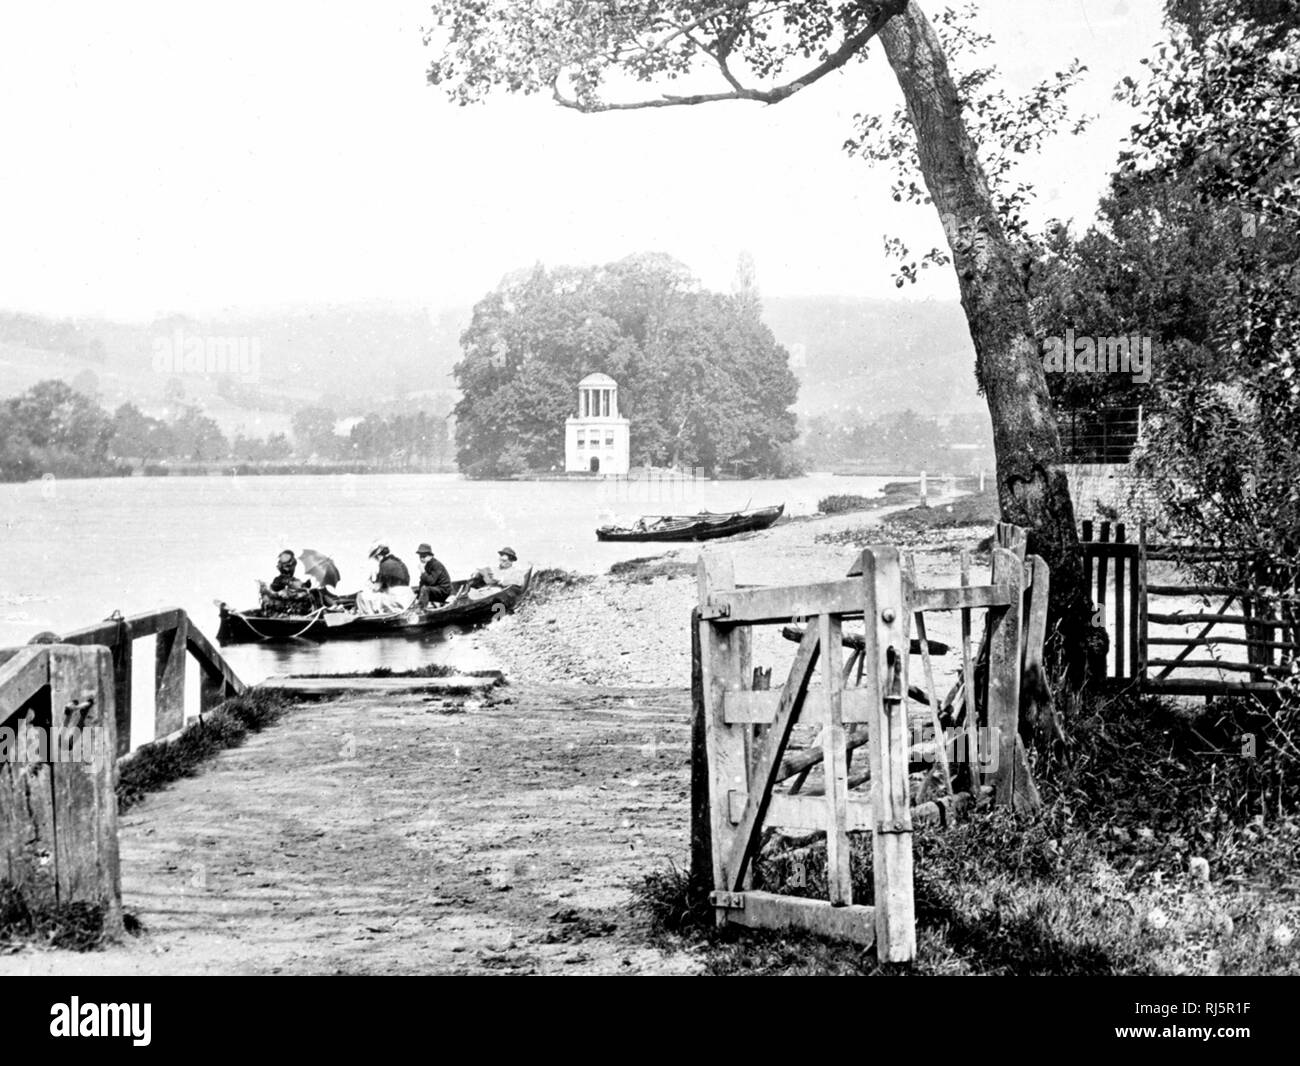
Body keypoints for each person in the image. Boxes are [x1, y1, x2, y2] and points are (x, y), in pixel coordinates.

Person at [354, 541, 414, 615]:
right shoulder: (400, 563)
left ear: (379, 555)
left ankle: (370, 616)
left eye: (375, 558)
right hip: (408, 596)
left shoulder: (384, 565)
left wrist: (368, 582)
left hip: (397, 599)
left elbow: (377, 587)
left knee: (361, 596)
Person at [461, 546, 528, 601]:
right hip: (484, 591)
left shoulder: (515, 571)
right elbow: (483, 572)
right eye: (501, 560)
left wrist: (501, 580)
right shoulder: (494, 569)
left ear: (511, 560)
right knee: (469, 593)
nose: (502, 562)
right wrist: (477, 573)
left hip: (498, 594)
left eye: (504, 561)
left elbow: (519, 582)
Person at [259, 551, 314, 615]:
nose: (289, 569)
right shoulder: (279, 579)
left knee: (315, 593)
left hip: (296, 606)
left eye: (292, 566)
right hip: (283, 608)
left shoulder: (294, 579)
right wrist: (289, 583)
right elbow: (275, 588)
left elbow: (300, 587)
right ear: (281, 567)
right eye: (287, 566)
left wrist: (306, 585)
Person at [414, 543, 452, 609]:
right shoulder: (427, 565)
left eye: (424, 556)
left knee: (425, 589)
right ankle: (417, 607)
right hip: (436, 590)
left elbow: (431, 582)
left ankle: (420, 610)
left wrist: (423, 571)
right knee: (417, 591)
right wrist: (417, 594)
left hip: (443, 591)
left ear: (430, 555)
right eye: (420, 556)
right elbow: (423, 582)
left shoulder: (436, 564)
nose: (421, 558)